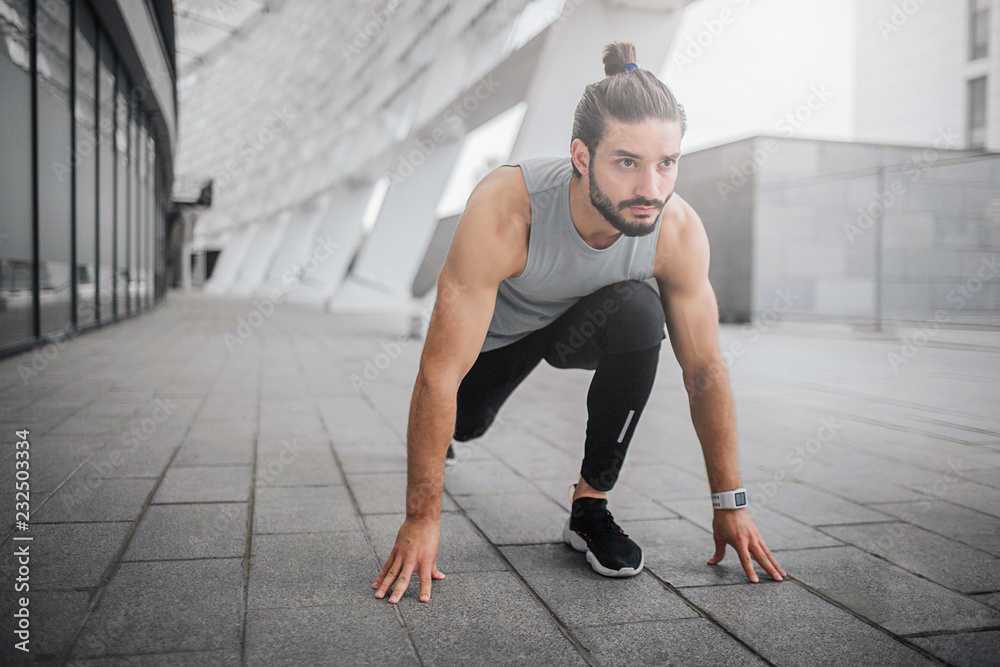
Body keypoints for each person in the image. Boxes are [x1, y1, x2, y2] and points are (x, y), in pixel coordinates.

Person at [372, 42, 786, 604]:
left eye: (666, 163)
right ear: (581, 156)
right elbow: (438, 374)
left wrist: (729, 503)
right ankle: (456, 434)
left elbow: (706, 370)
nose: (650, 189)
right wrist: (421, 518)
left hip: (581, 330)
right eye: (626, 162)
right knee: (460, 423)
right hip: (501, 339)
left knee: (642, 310)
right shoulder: (507, 205)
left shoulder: (676, 230)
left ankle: (590, 509)